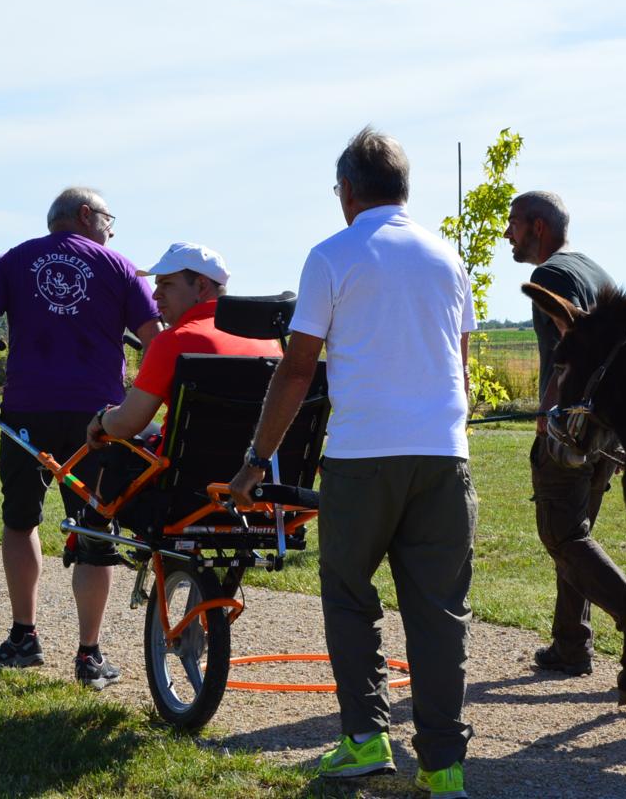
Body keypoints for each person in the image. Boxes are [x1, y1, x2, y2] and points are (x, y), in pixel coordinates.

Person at [229, 128, 477, 799]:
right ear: (405, 188)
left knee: (348, 594)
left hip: (363, 457)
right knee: (439, 612)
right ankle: (444, 765)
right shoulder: (449, 258)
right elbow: (460, 367)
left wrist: (257, 461)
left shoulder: (332, 256)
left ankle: (366, 739)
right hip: (443, 458)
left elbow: (298, 369)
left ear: (346, 191)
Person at [0, 187, 161, 688]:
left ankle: (23, 636)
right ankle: (89, 653)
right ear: (85, 215)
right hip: (98, 419)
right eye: (108, 219)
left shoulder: (13, 259)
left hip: (27, 409)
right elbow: (158, 341)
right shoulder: (119, 266)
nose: (112, 230)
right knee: (96, 527)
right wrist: (142, 404)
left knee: (20, 519)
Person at [503, 191, 626, 678]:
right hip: (606, 433)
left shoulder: (551, 275)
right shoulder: (594, 270)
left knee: (561, 534)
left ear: (538, 226)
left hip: (572, 430)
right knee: (576, 536)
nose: (507, 234)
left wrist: (550, 411)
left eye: (514, 224)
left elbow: (577, 344)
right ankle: (570, 644)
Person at [84, 242, 279, 450]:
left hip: (183, 478)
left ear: (201, 286)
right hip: (252, 473)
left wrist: (102, 417)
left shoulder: (175, 340)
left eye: (166, 284)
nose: (155, 294)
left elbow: (125, 424)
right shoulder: (269, 343)